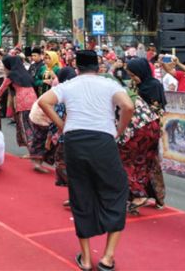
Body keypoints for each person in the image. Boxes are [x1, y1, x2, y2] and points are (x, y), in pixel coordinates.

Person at [37, 50, 134, 271]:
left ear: (76, 67)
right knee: (117, 190)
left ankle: (87, 258)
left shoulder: (69, 85)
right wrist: (118, 129)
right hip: (103, 140)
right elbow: (128, 106)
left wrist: (63, 126)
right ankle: (108, 257)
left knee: (80, 193)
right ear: (99, 66)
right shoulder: (110, 85)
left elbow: (44, 102)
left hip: (74, 141)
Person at [121, 58, 167, 214]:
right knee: (141, 163)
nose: (132, 78)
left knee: (141, 163)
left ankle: (145, 196)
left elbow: (158, 109)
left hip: (147, 128)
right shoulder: (136, 85)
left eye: (134, 75)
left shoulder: (153, 85)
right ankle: (138, 197)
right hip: (136, 128)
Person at [0, 56, 43, 172]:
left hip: (22, 102)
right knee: (32, 127)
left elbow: (2, 88)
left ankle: (35, 158)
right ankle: (33, 153)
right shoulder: (25, 73)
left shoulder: (12, 75)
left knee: (25, 129)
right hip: (33, 101)